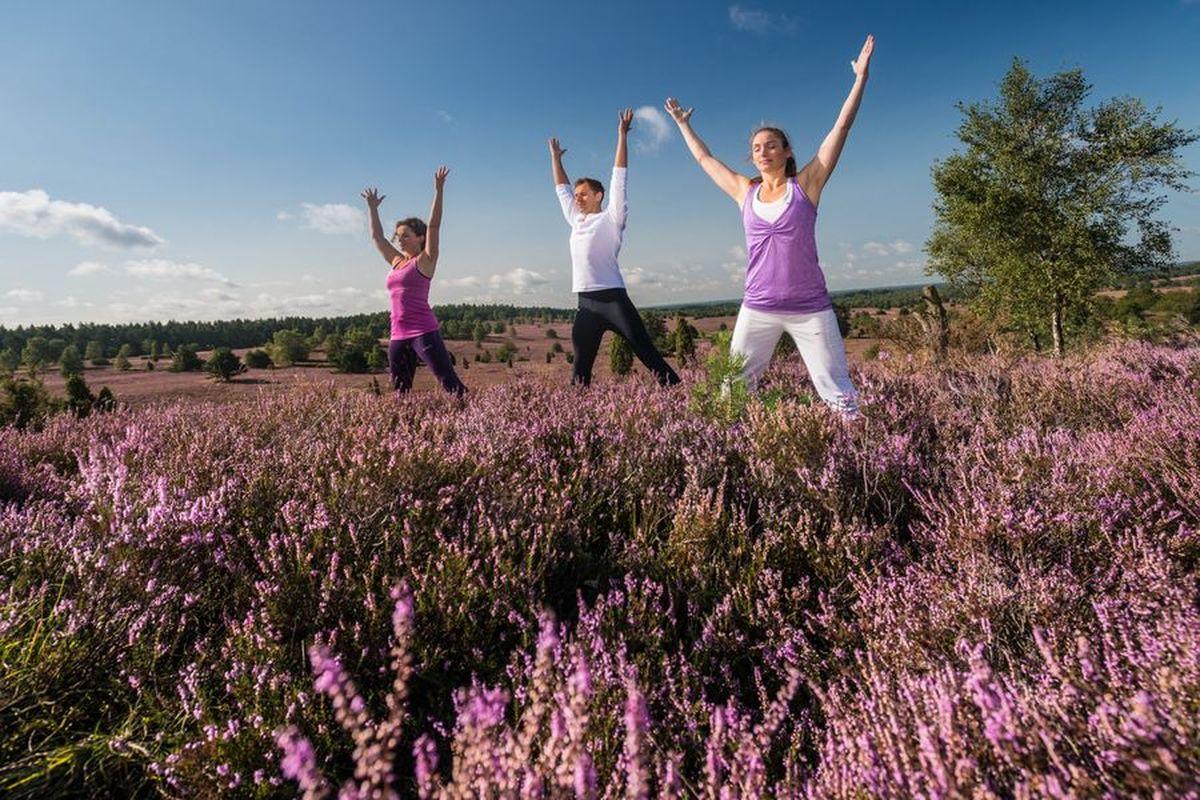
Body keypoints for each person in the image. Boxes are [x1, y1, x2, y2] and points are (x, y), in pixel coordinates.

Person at [664, 35, 876, 415]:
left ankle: (864, 459)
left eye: (773, 144)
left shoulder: (807, 185)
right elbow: (704, 159)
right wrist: (682, 125)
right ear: (752, 156)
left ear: (787, 152)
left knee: (837, 391)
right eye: (758, 147)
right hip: (758, 307)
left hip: (810, 308)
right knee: (734, 390)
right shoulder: (744, 191)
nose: (764, 151)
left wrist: (860, 78)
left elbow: (839, 131)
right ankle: (730, 460)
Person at [549, 109, 680, 387]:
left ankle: (680, 395)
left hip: (614, 301)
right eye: (577, 195)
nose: (578, 199)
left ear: (599, 196)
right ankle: (577, 421)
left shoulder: (611, 218)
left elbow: (619, 177)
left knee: (648, 355)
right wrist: (555, 159)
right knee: (580, 369)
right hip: (585, 304)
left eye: (583, 194)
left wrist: (622, 136)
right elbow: (561, 189)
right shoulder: (576, 220)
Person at [362, 167, 466, 395]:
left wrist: (439, 190)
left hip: (424, 331)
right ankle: (407, 427)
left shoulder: (425, 260)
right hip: (398, 333)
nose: (400, 240)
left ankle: (475, 423)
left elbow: (435, 225)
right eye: (398, 237)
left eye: (405, 236)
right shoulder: (397, 261)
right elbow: (377, 238)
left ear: (420, 237)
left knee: (450, 384)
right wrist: (372, 209)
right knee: (401, 391)